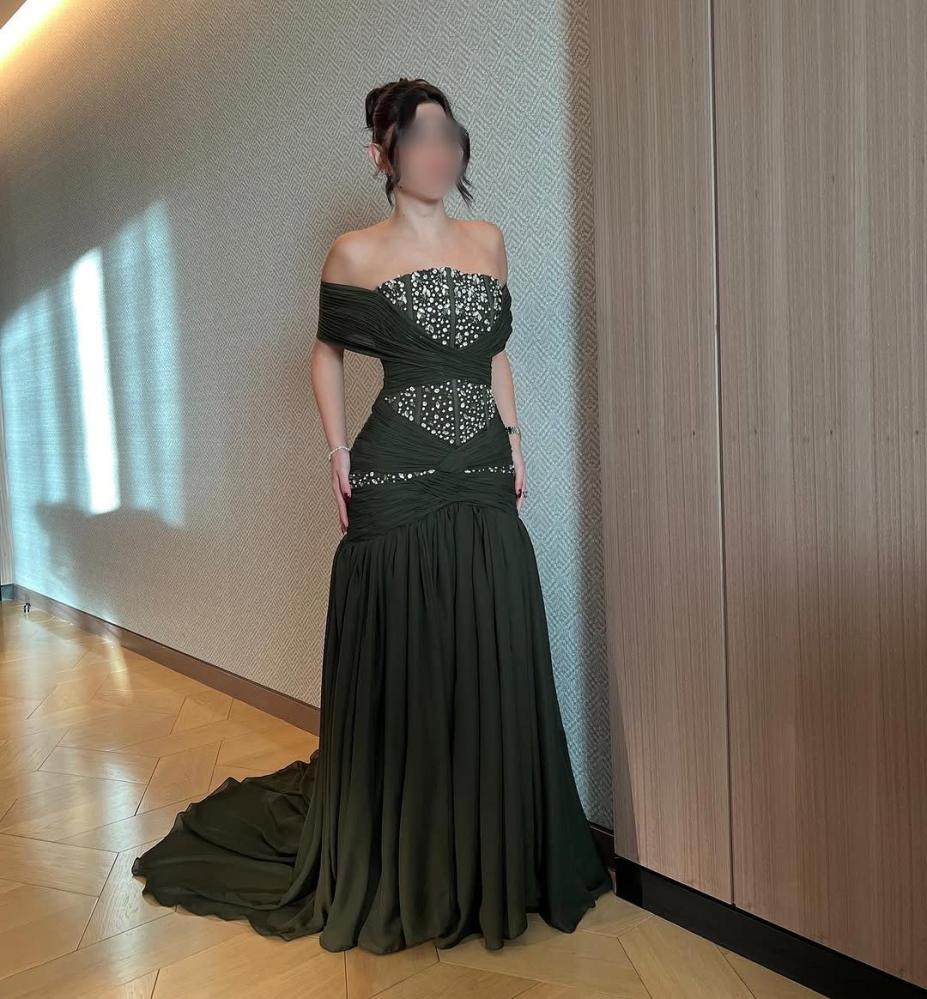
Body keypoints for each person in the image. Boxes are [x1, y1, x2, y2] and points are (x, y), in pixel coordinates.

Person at [131, 77, 613, 954]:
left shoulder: (488, 241)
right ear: (380, 154)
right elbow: (325, 353)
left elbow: (493, 355)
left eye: (447, 135)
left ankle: (493, 852)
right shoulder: (352, 252)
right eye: (417, 138)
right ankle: (410, 857)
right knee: (411, 654)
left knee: (490, 640)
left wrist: (515, 438)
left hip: (480, 470)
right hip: (395, 473)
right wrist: (336, 450)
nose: (437, 152)